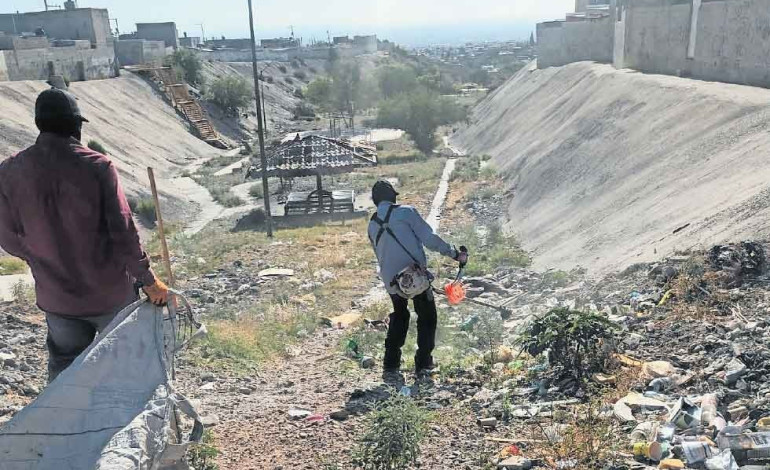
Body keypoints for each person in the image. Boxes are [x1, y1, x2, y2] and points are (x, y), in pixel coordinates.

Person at [0, 88, 169, 382]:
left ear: (40, 123)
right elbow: (124, 233)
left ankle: (66, 426)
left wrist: (41, 257)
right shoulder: (97, 166)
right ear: (76, 126)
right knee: (127, 368)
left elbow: (7, 237)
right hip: (109, 297)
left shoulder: (8, 171)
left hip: (57, 299)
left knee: (65, 374)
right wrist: (148, 280)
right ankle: (125, 427)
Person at [367, 180, 467, 380]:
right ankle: (423, 363)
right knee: (427, 316)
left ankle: (390, 365)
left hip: (392, 280)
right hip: (415, 276)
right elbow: (429, 239)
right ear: (393, 197)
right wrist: (455, 254)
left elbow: (379, 254)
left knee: (400, 315)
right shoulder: (406, 212)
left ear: (375, 201)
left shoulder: (371, 224)